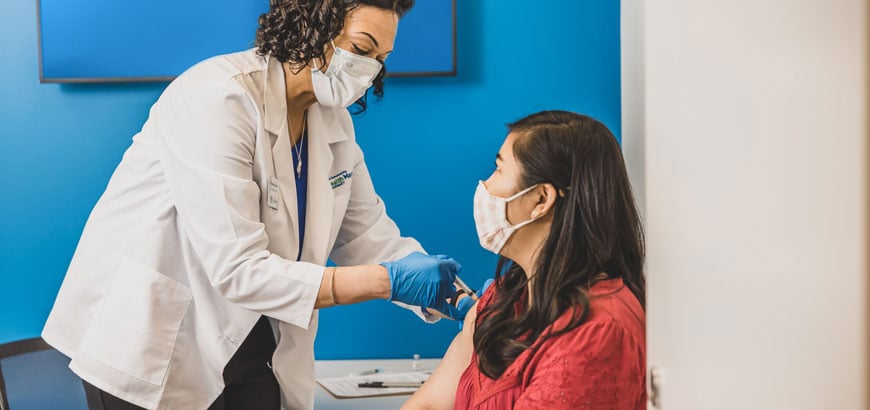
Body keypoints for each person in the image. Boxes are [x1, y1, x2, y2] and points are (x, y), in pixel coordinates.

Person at [41, 1, 469, 409]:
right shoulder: (217, 98)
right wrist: (384, 281)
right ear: (309, 25)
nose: (369, 69)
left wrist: (456, 297)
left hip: (253, 339)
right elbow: (237, 269)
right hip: (154, 338)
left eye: (380, 56)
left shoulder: (331, 119)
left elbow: (368, 236)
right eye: (360, 49)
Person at [403, 111, 647, 409]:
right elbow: (428, 405)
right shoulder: (507, 296)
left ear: (541, 200)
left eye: (498, 169)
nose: (485, 186)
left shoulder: (597, 332)